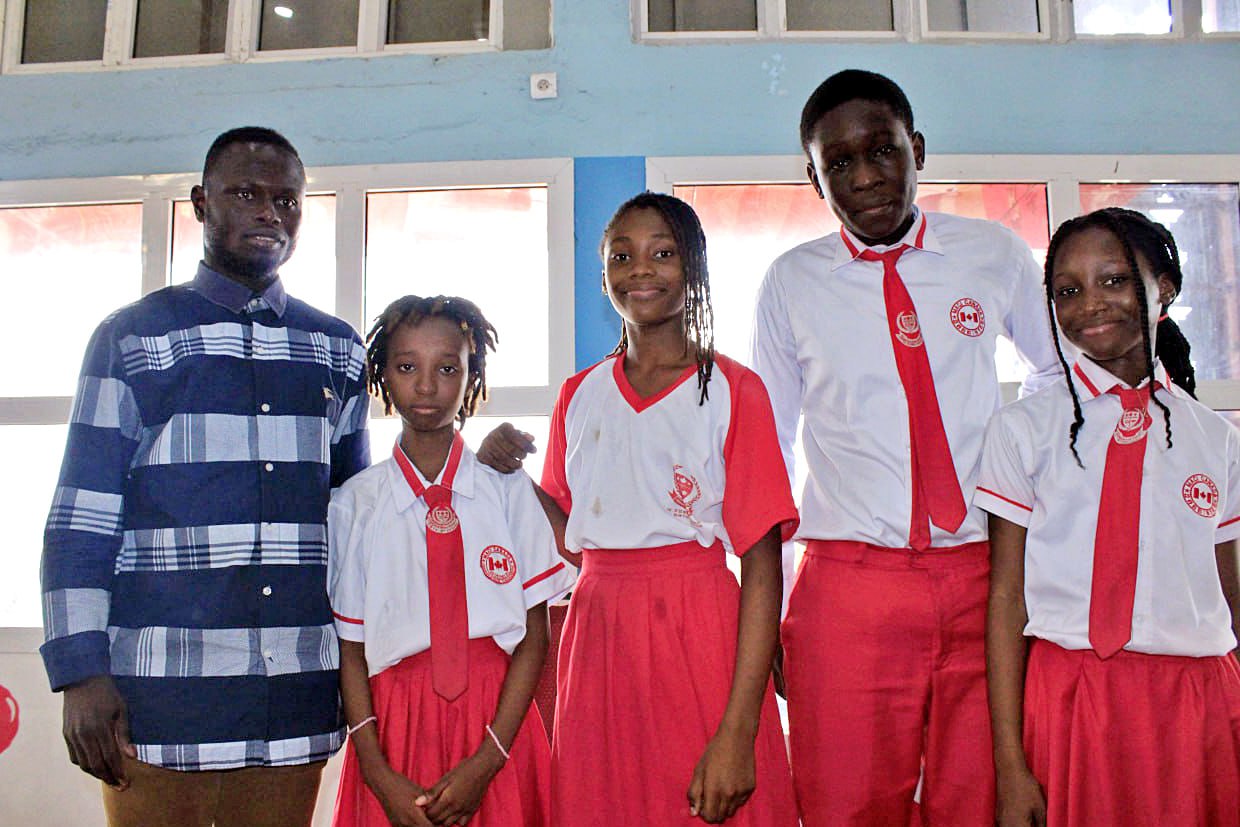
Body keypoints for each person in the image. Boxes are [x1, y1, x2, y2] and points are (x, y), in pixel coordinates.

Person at [749, 69, 1061, 826]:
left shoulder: (993, 253)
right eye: (839, 163)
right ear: (815, 180)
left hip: (986, 577)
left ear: (917, 149)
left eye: (882, 150)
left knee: (981, 798)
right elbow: (769, 448)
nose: (865, 177)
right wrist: (773, 605)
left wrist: (1020, 476)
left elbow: (1058, 373)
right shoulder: (791, 283)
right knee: (844, 803)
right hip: (848, 589)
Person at [39, 127, 371, 827]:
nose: (269, 213)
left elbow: (354, 523)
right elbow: (81, 519)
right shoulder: (134, 338)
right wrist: (80, 672)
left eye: (287, 200)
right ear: (200, 203)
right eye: (246, 194)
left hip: (294, 702)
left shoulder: (336, 348)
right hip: (158, 702)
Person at [481, 192, 799, 826]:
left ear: (694, 267)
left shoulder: (734, 389)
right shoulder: (579, 394)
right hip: (598, 634)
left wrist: (739, 727)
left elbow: (763, 567)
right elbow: (575, 541)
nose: (641, 270)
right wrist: (512, 477)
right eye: (621, 257)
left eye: (663, 253)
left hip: (700, 627)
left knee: (708, 801)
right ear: (603, 275)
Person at [978, 207, 1240, 827]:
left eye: (1114, 280)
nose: (1090, 303)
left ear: (1163, 290)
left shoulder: (1217, 439)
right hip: (1073, 697)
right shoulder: (1022, 430)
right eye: (1067, 291)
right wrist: (1010, 764)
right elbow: (1007, 598)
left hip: (1197, 700)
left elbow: (1229, 592)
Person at [328, 295, 573, 827]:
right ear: (381, 376)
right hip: (394, 729)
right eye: (406, 367)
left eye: (447, 369)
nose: (425, 386)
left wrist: (488, 760)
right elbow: (351, 650)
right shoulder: (354, 504)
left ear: (471, 377)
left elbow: (535, 637)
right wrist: (377, 772)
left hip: (498, 726)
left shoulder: (506, 491)